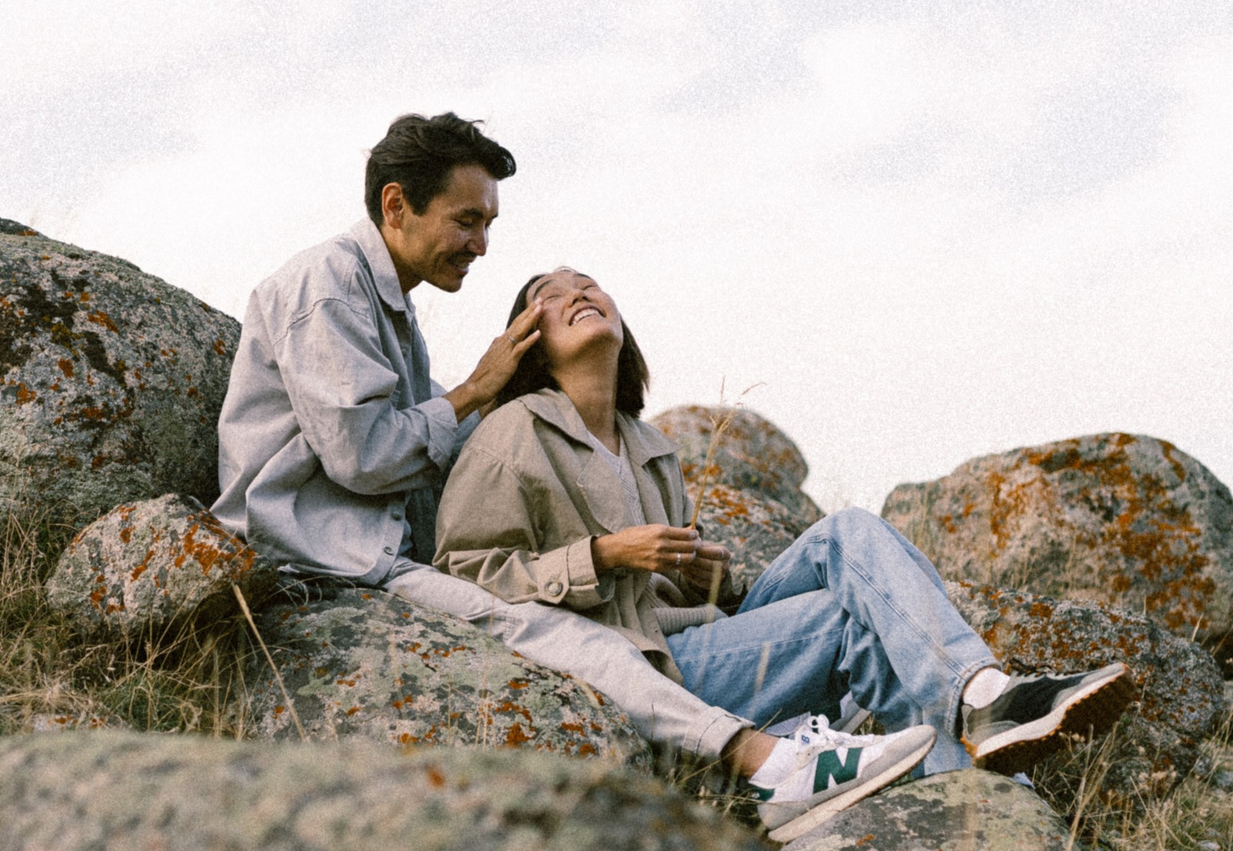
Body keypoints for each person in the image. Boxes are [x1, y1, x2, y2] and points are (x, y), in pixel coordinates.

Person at [213, 113, 827, 795]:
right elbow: (362, 457)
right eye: (466, 220)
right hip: (317, 553)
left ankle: (794, 739)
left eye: (488, 226)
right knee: (549, 630)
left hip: (366, 549)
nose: (479, 244)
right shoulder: (325, 285)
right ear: (396, 205)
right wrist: (479, 390)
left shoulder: (389, 303)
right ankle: (760, 758)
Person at [431, 265, 1135, 841]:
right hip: (645, 670)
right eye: (548, 296)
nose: (577, 292)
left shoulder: (649, 447)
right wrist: (604, 554)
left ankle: (983, 699)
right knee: (843, 624)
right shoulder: (512, 433)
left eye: (589, 282)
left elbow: (682, 599)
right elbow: (465, 574)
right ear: (527, 341)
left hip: (695, 637)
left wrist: (705, 579)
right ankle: (1005, 787)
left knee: (849, 531)